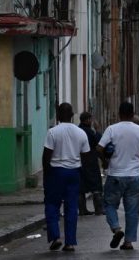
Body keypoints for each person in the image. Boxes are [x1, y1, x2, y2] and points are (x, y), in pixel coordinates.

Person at [97, 102, 139, 251]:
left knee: (109, 205)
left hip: (115, 175)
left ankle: (116, 228)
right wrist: (135, 160)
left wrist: (105, 162)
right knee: (132, 210)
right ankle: (128, 242)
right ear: (133, 114)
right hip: (134, 176)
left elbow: (99, 147)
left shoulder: (112, 129)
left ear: (119, 114)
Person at [42, 102, 90, 252]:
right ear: (72, 115)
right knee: (71, 207)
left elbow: (46, 156)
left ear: (58, 115)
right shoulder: (81, 133)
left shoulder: (53, 132)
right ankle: (70, 242)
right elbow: (86, 156)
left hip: (56, 172)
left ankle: (55, 237)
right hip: (74, 172)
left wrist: (46, 174)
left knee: (52, 204)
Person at [78, 112, 103, 216]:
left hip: (79, 161)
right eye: (90, 119)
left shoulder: (78, 130)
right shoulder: (89, 131)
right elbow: (99, 142)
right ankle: (98, 209)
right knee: (96, 185)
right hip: (91, 161)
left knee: (81, 187)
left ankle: (82, 209)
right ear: (87, 120)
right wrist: (97, 130)